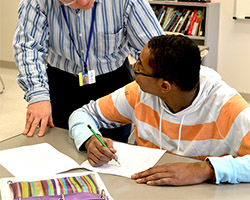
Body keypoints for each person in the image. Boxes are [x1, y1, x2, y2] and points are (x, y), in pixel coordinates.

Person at [13, 0, 164, 139]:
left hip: (113, 81)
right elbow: (28, 47)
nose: (83, 1)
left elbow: (152, 48)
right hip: (62, 80)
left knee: (114, 150)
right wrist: (37, 95)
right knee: (61, 145)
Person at [69, 34, 250, 186]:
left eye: (140, 65)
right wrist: (90, 139)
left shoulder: (228, 107)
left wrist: (205, 169)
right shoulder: (138, 93)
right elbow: (82, 114)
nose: (134, 67)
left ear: (164, 86)